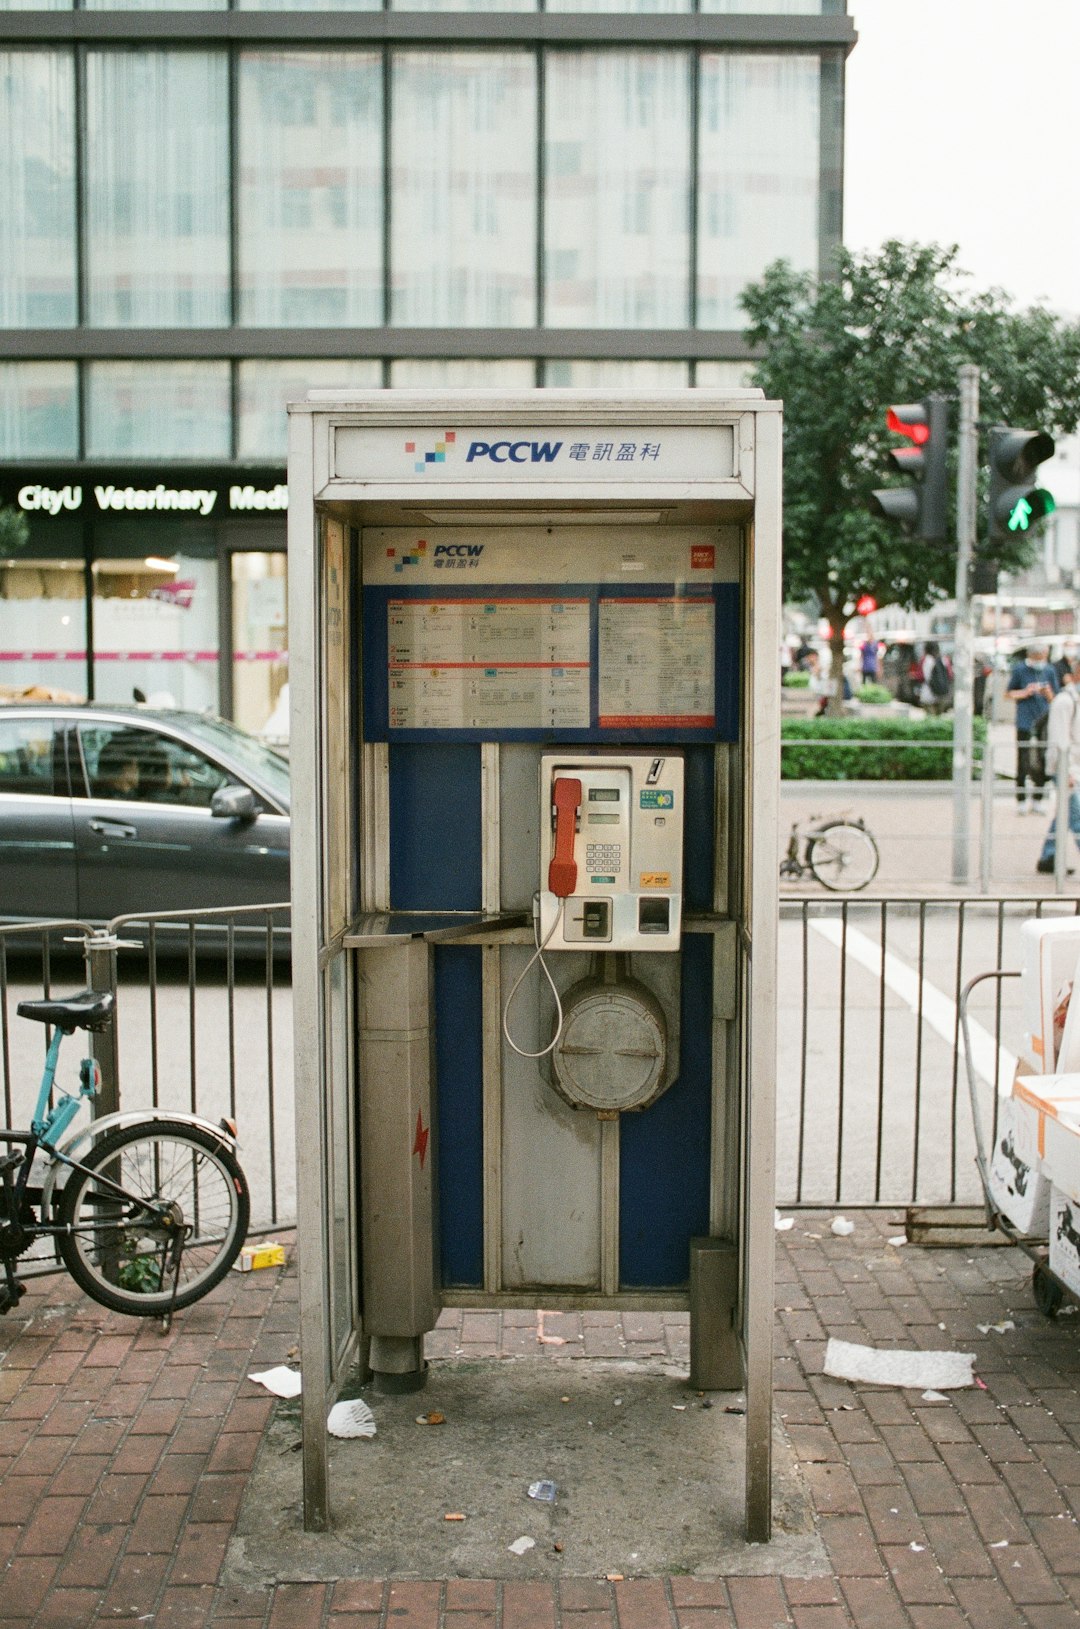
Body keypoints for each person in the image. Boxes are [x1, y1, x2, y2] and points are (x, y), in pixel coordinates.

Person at [1037, 658, 1080, 874]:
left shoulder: (1076, 700)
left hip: (1074, 770)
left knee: (1065, 813)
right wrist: (1066, 773)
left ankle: (1049, 856)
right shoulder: (1064, 701)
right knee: (1077, 814)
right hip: (1065, 770)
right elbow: (1059, 741)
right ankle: (1049, 856)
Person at [1007, 641, 1058, 811]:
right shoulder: (1020, 670)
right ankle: (1021, 799)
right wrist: (1025, 692)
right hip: (1024, 721)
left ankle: (1038, 798)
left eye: (1042, 657)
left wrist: (1047, 692)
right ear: (1030, 656)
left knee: (1043, 760)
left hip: (1044, 720)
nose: (1039, 661)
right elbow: (1008, 693)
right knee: (1023, 760)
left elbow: (1055, 698)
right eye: (1037, 657)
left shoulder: (1049, 670)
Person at [918, 641, 950, 715]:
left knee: (931, 716)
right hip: (942, 692)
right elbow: (949, 675)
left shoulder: (926, 660)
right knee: (939, 716)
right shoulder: (944, 659)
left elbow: (922, 676)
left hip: (928, 692)